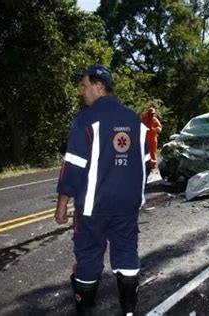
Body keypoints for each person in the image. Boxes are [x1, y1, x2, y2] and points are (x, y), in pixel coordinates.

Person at [55, 64, 150, 315]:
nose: (81, 92)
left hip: (92, 207)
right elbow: (146, 164)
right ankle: (129, 310)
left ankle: (86, 310)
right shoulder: (135, 121)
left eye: (84, 86)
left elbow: (74, 164)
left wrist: (63, 202)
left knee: (88, 255)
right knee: (127, 252)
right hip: (127, 206)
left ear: (99, 86)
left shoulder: (86, 119)